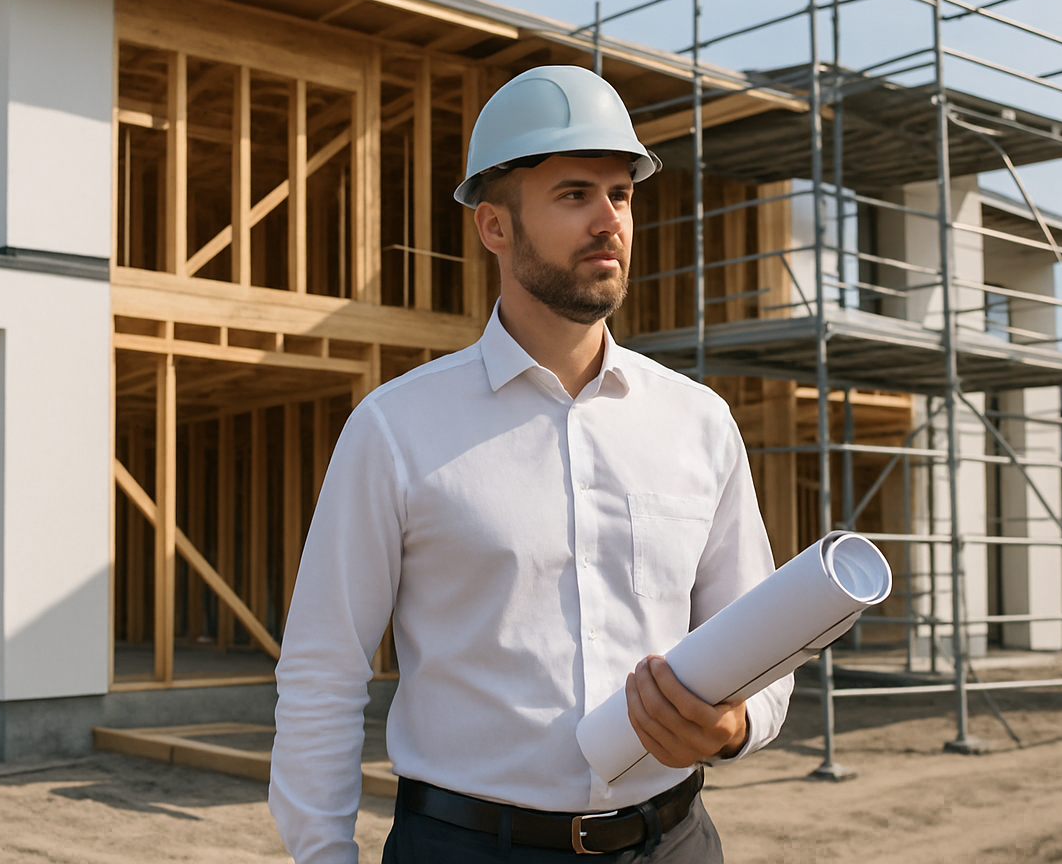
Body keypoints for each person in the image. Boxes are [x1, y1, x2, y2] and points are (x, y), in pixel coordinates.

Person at [269, 64, 793, 863]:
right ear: (494, 227)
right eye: (574, 194)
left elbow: (764, 646)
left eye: (620, 194)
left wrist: (733, 727)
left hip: (673, 841)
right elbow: (323, 673)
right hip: (467, 847)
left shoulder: (699, 424)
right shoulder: (396, 430)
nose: (609, 221)